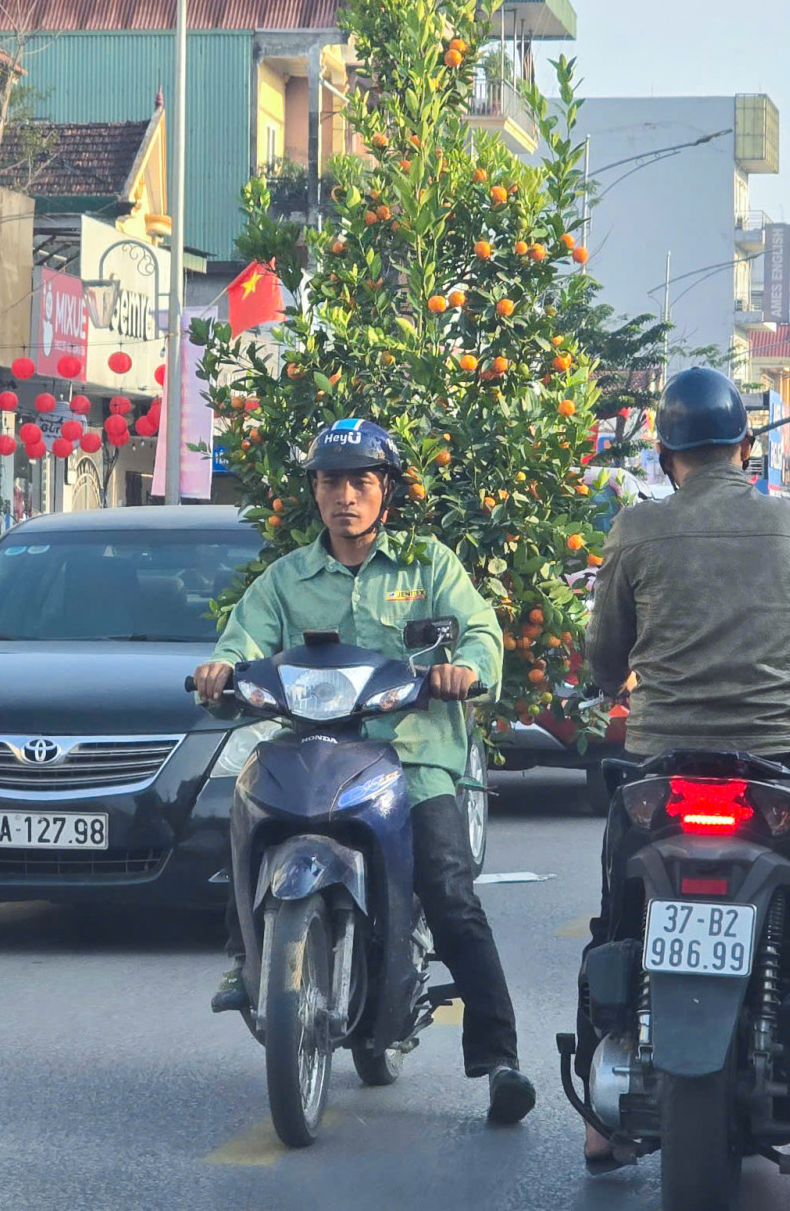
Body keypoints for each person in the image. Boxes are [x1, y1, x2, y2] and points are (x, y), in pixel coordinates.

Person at [580, 368, 790, 1162]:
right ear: (748, 450)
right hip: (777, 770)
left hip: (658, 769)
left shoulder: (634, 531)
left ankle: (599, 1115)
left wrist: (619, 678)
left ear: (664, 455)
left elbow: (602, 659)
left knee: (620, 901)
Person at [192, 418, 537, 1125]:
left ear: (387, 492)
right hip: (313, 751)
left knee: (448, 887)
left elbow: (480, 631)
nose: (344, 496)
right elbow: (244, 636)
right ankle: (244, 953)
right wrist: (222, 667)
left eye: (360, 481)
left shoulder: (429, 564)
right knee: (244, 805)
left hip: (413, 759)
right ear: (314, 492)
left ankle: (500, 1057)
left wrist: (465, 667)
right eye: (329, 481)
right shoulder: (286, 578)